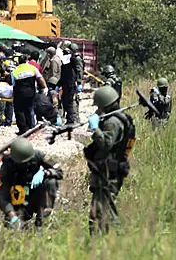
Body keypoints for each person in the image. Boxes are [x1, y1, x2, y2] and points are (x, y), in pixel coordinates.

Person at [83, 85, 135, 234]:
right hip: (107, 172)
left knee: (104, 213)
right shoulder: (114, 118)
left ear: (104, 105)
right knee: (101, 211)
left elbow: (106, 144)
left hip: (108, 174)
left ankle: (112, 242)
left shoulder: (112, 122)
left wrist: (95, 129)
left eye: (99, 106)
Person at [0, 137, 63, 229]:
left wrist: (45, 172)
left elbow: (59, 171)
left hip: (35, 196)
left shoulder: (38, 155)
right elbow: (2, 193)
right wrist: (11, 214)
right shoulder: (7, 166)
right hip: (18, 200)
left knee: (51, 182)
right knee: (11, 228)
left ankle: (42, 220)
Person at [10, 54, 48, 134]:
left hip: (19, 93)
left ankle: (23, 129)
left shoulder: (15, 71)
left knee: (19, 111)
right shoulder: (32, 68)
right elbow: (40, 78)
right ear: (27, 61)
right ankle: (31, 126)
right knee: (29, 109)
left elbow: (13, 84)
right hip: (30, 93)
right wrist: (45, 87)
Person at [58, 43, 78, 124]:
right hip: (66, 85)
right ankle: (69, 118)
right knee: (65, 102)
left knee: (69, 102)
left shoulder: (71, 62)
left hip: (69, 85)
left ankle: (71, 119)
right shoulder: (65, 65)